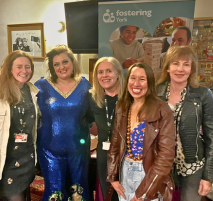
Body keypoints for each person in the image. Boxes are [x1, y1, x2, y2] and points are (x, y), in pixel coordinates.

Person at [108, 63, 175, 201]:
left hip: (149, 174)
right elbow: (115, 143)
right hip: (125, 171)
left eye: (142, 79)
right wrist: (113, 176)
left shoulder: (162, 109)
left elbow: (166, 156)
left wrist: (143, 192)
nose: (136, 84)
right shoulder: (122, 106)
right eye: (133, 78)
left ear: (149, 83)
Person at [35, 45, 93, 201]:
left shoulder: (85, 86)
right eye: (56, 64)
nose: (61, 67)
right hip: (49, 150)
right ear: (52, 67)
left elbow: (92, 116)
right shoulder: (41, 87)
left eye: (65, 62)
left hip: (79, 150)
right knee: (55, 191)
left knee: (79, 190)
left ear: (72, 62)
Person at [156, 46, 213, 201]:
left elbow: (211, 138)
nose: (180, 69)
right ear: (167, 67)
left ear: (191, 68)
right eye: (175, 63)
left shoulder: (203, 95)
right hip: (162, 165)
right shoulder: (155, 93)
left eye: (186, 64)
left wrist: (208, 176)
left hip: (193, 166)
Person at [0, 50, 40, 201]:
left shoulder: (32, 91)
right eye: (19, 66)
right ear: (9, 68)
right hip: (4, 160)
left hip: (26, 157)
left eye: (28, 67)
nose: (24, 71)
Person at [88, 57, 124, 201]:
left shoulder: (128, 97)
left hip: (126, 154)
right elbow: (86, 121)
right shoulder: (92, 98)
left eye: (109, 71)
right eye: (100, 72)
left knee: (125, 193)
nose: (104, 75)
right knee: (108, 194)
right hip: (104, 154)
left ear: (118, 74)